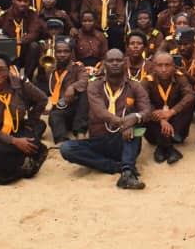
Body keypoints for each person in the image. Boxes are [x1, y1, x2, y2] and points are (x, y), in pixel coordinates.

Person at [59, 48, 150, 188]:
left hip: (124, 140)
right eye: (111, 60)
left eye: (118, 60)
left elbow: (147, 111)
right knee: (66, 148)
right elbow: (100, 112)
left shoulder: (135, 86)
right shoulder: (94, 85)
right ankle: (115, 167)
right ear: (104, 64)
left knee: (137, 129)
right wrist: (126, 122)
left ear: (125, 63)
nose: (115, 63)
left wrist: (135, 118)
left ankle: (127, 173)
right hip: (99, 140)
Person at [0, 53, 48, 186]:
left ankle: (6, 168)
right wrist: (14, 141)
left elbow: (42, 99)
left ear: (9, 69)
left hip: (16, 127)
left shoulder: (20, 84)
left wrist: (31, 121)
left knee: (33, 144)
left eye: (2, 69)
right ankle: (19, 168)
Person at [142, 50, 195, 164]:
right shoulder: (147, 81)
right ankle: (169, 148)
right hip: (155, 128)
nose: (164, 69)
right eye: (160, 65)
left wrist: (172, 112)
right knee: (144, 110)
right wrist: (161, 120)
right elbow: (143, 102)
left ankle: (162, 147)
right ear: (154, 67)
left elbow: (190, 95)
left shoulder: (180, 77)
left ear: (174, 66)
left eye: (167, 65)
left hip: (176, 128)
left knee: (189, 104)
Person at [38, 36, 89, 143]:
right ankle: (62, 142)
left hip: (78, 110)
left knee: (84, 93)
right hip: (62, 107)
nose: (62, 54)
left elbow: (84, 80)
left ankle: (80, 132)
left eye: (66, 51)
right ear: (55, 53)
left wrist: (72, 87)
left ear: (71, 53)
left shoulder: (78, 67)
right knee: (53, 116)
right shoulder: (51, 68)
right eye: (59, 52)